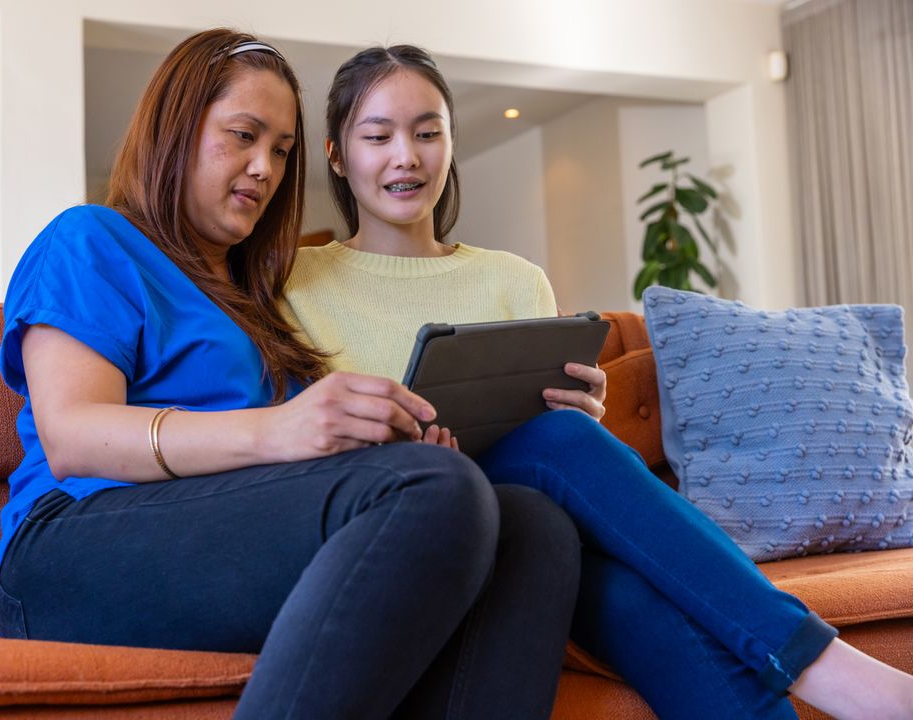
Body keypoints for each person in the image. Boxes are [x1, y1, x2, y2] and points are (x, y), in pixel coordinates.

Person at [282, 44, 913, 720]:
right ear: (337, 156)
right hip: (391, 519)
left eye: (428, 132)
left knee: (603, 572)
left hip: (526, 524)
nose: (406, 155)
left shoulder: (516, 279)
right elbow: (292, 437)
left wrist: (584, 412)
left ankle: (821, 678)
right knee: (558, 471)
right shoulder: (292, 280)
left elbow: (545, 432)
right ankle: (822, 664)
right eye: (378, 136)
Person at [0, 30, 582, 720]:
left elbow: (292, 488)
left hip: (220, 536)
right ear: (174, 127)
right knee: (436, 487)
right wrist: (282, 431)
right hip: (67, 548)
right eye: (243, 136)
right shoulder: (91, 239)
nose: (264, 168)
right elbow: (74, 436)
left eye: (280, 150)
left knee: (531, 524)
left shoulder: (258, 294)